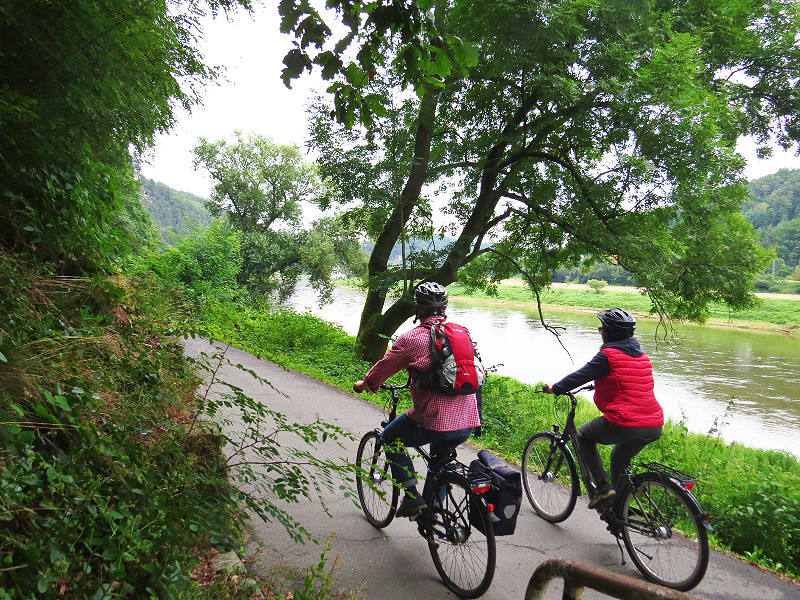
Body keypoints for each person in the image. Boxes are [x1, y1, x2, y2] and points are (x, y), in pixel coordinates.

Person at [353, 282, 482, 519]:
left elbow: (384, 368)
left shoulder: (412, 338)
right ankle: (432, 515)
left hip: (434, 420)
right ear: (444, 308)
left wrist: (367, 384)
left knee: (389, 438)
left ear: (419, 309)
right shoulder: (462, 333)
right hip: (468, 420)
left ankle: (412, 498)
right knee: (440, 464)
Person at [543, 308, 664, 509]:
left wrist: (555, 388)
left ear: (608, 332)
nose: (601, 333)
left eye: (602, 329)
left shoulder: (607, 356)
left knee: (583, 436)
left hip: (625, 422)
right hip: (653, 424)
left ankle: (602, 489)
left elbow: (580, 376)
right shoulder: (642, 356)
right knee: (619, 459)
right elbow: (630, 383)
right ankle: (620, 508)